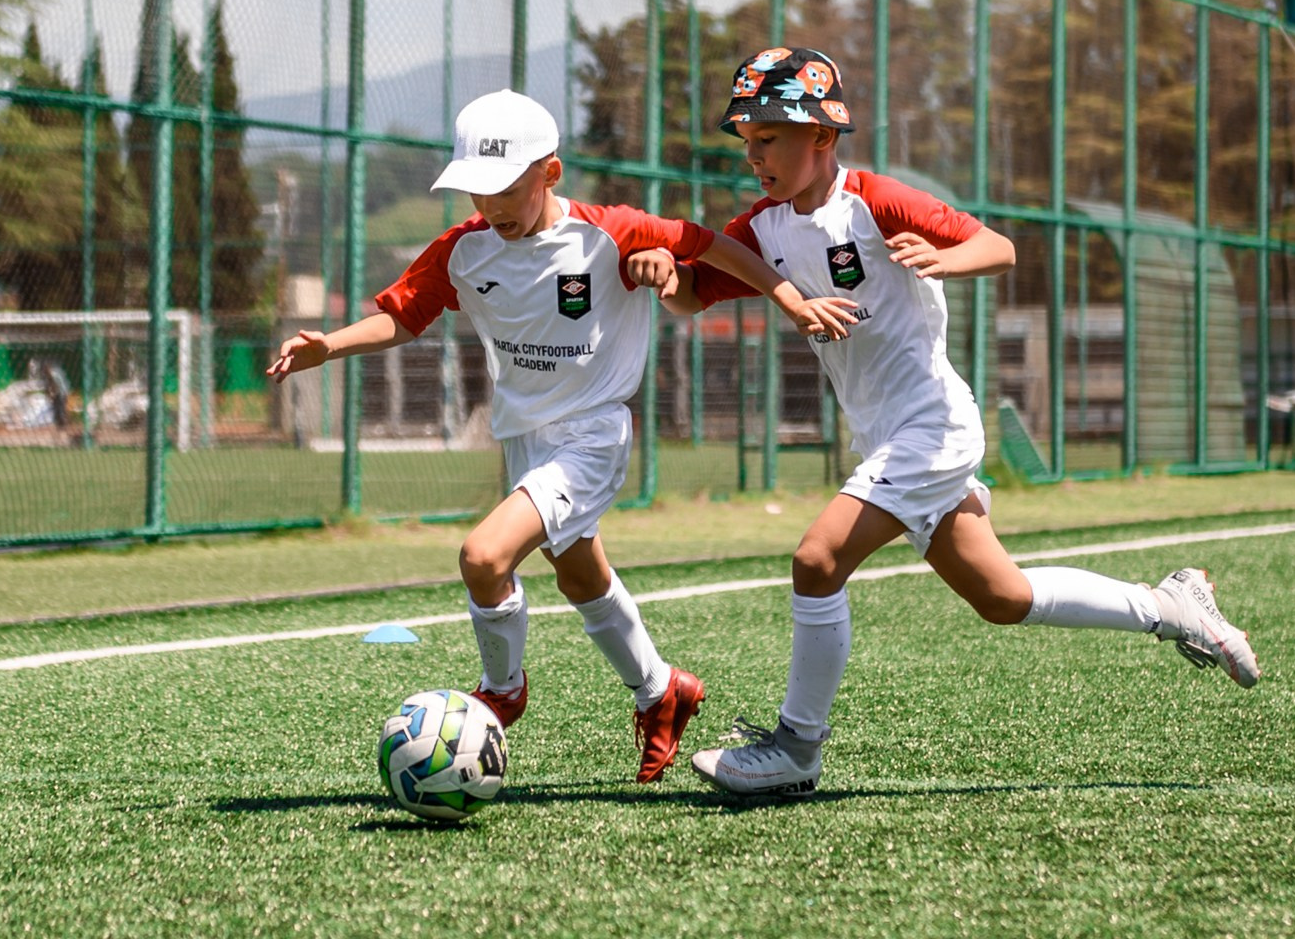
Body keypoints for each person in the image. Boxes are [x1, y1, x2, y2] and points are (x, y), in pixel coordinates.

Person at [629, 47, 1260, 798]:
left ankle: (797, 747)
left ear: (821, 137)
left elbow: (998, 247)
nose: (753, 154)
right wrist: (662, 276)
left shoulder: (872, 199)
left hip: (930, 426)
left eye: (768, 137)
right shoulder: (761, 229)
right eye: (747, 140)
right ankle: (1169, 606)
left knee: (816, 559)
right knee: (1002, 598)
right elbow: (693, 296)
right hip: (887, 436)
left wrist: (938, 257)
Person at [268, 89, 858, 782]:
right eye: (475, 192)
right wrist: (327, 346)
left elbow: (712, 246)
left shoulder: (609, 231)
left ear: (548, 174)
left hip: (591, 435)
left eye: (505, 188)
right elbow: (405, 315)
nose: (490, 207)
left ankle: (502, 691)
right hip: (524, 438)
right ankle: (661, 691)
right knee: (580, 575)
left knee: (484, 558)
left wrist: (782, 299)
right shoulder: (462, 250)